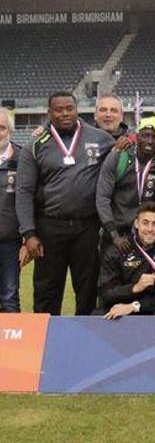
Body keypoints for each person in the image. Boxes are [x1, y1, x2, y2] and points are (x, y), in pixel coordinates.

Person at [16, 92, 115, 315]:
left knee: (88, 290)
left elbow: (126, 151)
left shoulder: (100, 138)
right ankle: (45, 344)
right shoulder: (35, 145)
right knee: (46, 291)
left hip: (88, 227)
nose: (65, 114)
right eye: (59, 110)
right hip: (50, 228)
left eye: (69, 108)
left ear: (77, 109)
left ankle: (87, 344)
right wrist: (29, 233)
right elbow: (24, 192)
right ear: (49, 113)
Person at [96, 116, 155, 252]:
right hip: (118, 230)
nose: (149, 141)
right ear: (137, 136)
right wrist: (114, 235)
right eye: (145, 135)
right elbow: (102, 198)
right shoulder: (118, 157)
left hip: (149, 232)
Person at [96, 202, 155, 318]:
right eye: (145, 223)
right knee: (100, 314)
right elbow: (105, 293)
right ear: (136, 224)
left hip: (153, 308)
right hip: (121, 305)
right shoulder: (117, 250)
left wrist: (135, 306)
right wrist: (134, 288)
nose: (150, 229)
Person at [0, 109, 24, 312]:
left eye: (1, 128)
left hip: (10, 241)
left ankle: (13, 344)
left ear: (10, 130)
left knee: (9, 296)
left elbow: (30, 200)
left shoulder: (23, 158)